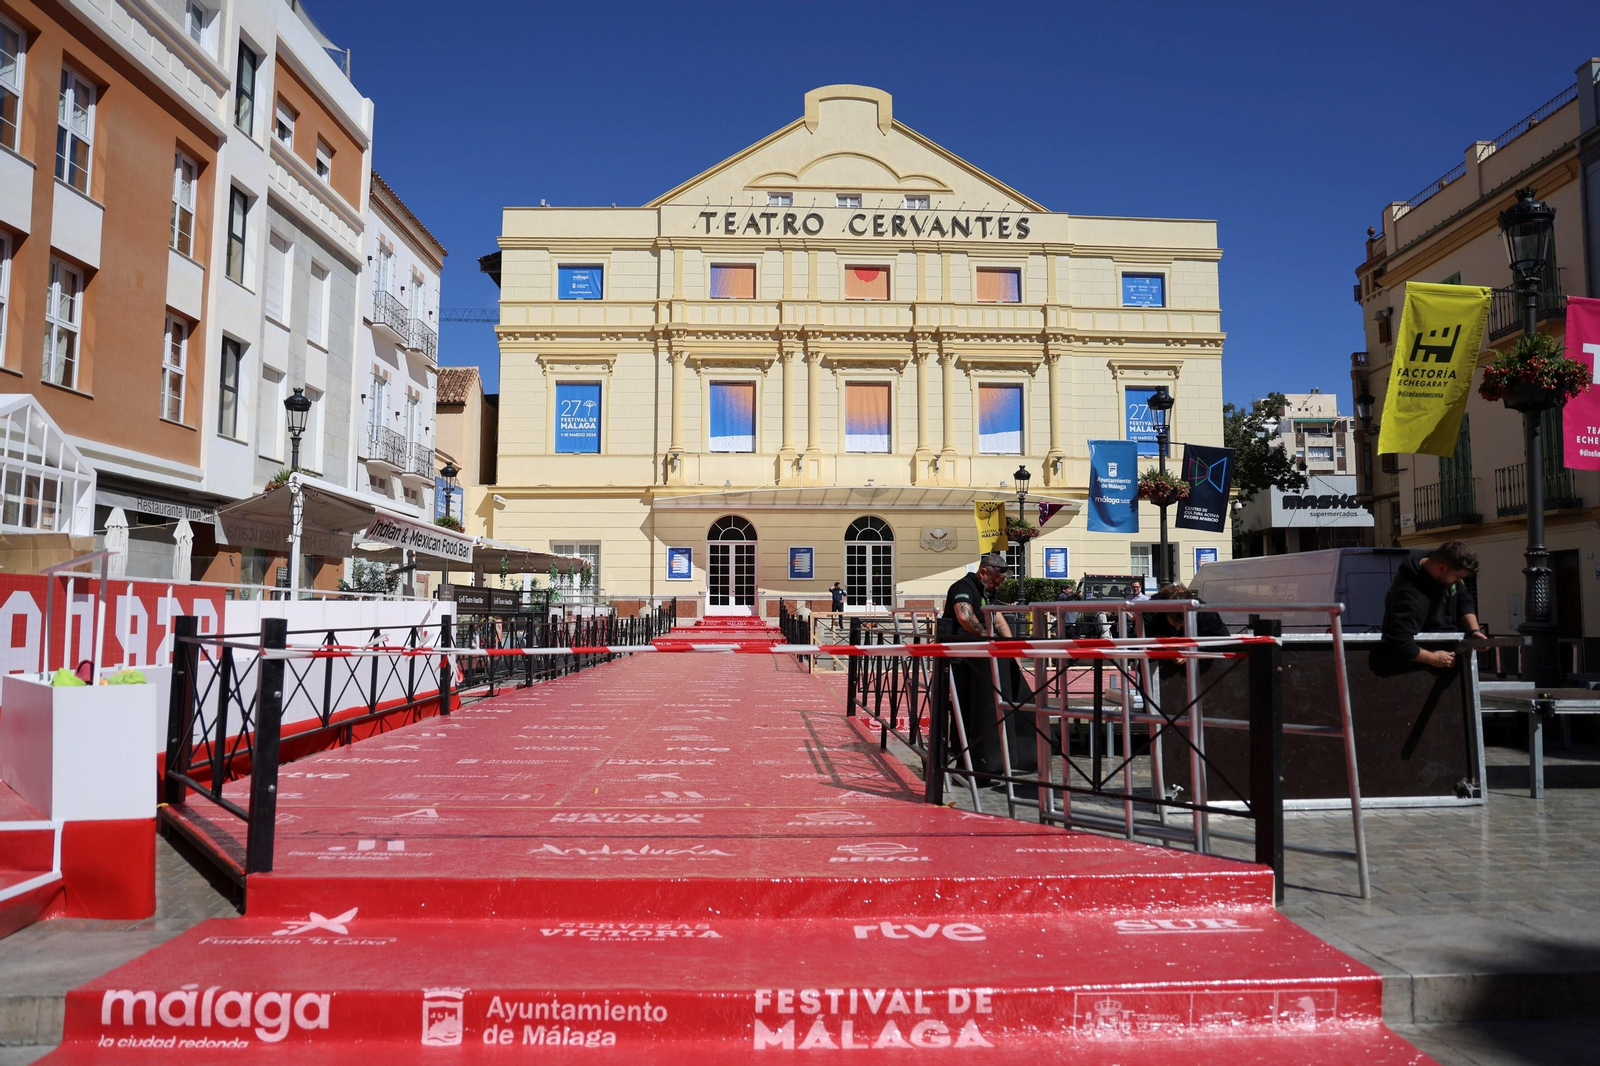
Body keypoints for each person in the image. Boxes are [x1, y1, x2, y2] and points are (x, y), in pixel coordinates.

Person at [938, 554, 1034, 780]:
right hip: (960, 658)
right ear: (984, 572)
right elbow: (964, 616)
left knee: (989, 707)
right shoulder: (962, 587)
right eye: (996, 579)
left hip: (983, 658)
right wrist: (988, 639)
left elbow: (999, 620)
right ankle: (961, 761)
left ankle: (993, 757)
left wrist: (1012, 650)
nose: (998, 584)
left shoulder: (988, 593)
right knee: (963, 709)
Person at [1380, 540, 1486, 670]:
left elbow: (1464, 601)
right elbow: (1400, 641)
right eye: (1458, 577)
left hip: (1446, 654)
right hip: (1416, 668)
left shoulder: (1442, 564)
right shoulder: (1411, 593)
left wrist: (1475, 631)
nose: (1460, 581)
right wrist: (1433, 658)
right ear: (1441, 568)